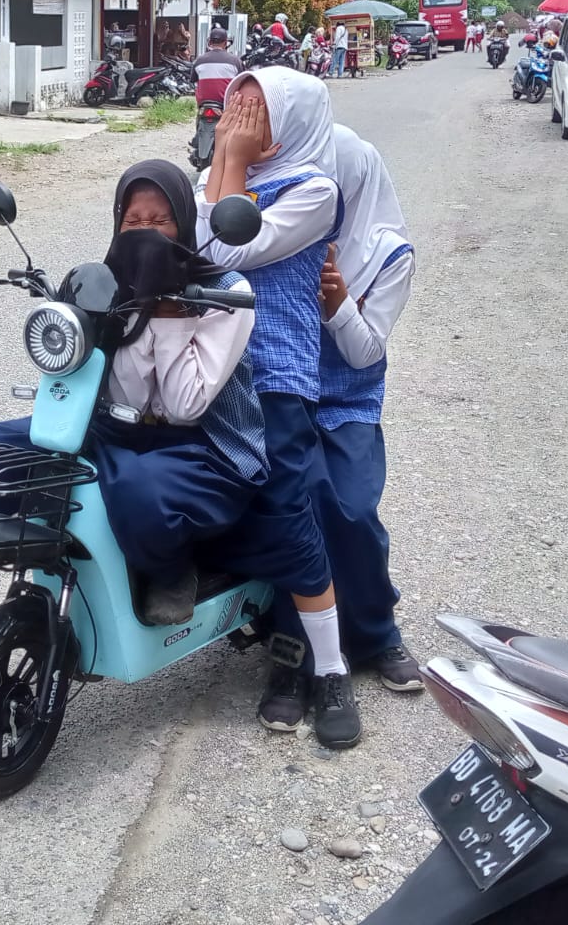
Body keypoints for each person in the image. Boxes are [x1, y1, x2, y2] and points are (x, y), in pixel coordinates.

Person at [0, 161, 272, 627]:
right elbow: (96, 384)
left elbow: (186, 405)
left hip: (199, 446)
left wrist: (169, 316)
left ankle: (170, 571)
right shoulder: (103, 284)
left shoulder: (226, 293)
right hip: (115, 432)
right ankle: (57, 551)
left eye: (160, 221)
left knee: (137, 492)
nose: (145, 232)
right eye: (133, 221)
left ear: (184, 223)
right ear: (117, 221)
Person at [198, 68, 360, 749]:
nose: (235, 116)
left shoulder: (314, 190)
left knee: (290, 514)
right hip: (205, 377)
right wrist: (222, 163)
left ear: (291, 118)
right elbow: (193, 250)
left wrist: (227, 158)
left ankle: (331, 668)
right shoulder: (214, 179)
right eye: (233, 103)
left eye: (252, 106)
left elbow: (224, 249)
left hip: (275, 375)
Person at [316, 125, 420, 693]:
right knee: (287, 505)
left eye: (330, 191)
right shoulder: (286, 229)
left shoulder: (388, 254)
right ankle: (291, 640)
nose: (320, 204)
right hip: (284, 391)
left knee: (352, 509)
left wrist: (336, 306)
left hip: (348, 396)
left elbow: (365, 353)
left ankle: (377, 630)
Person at [192, 26, 243, 106]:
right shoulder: (235, 61)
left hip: (203, 104)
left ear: (210, 42)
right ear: (226, 43)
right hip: (227, 104)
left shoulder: (199, 60)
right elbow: (242, 82)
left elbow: (194, 80)